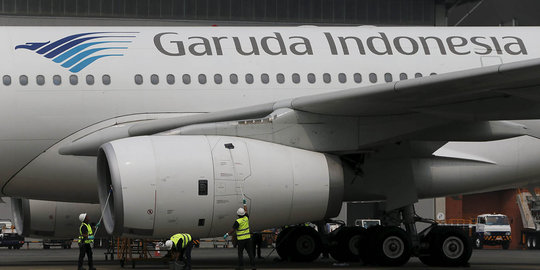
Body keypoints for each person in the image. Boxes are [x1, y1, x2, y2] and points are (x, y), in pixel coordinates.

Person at [225, 203, 255, 270]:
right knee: (250, 253)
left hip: (241, 240)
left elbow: (233, 230)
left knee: (240, 254)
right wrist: (244, 204)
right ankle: (253, 266)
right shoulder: (246, 218)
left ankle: (241, 267)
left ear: (238, 214)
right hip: (248, 239)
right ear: (243, 214)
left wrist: (227, 234)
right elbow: (246, 211)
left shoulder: (238, 221)